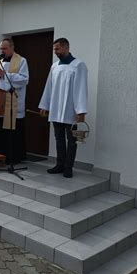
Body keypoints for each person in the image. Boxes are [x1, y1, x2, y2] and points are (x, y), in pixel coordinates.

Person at [39, 37, 88, 178]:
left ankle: (68, 167)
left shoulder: (78, 65)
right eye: (54, 49)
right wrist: (45, 105)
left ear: (66, 48)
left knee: (71, 140)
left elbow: (81, 88)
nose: (55, 51)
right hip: (55, 108)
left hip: (70, 110)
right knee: (58, 138)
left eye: (57, 48)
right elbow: (49, 86)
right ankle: (60, 164)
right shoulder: (54, 66)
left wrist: (81, 110)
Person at [0, 38, 29, 164]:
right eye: (1, 49)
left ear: (12, 48)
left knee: (12, 131)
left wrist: (6, 75)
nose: (2, 51)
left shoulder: (21, 61)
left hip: (13, 101)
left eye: (4, 48)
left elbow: (24, 79)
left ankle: (13, 157)